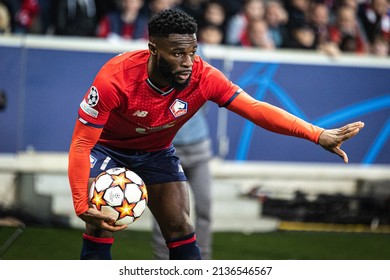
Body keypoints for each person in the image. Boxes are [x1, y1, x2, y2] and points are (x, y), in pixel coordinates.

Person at [68, 8, 365, 260]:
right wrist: (81, 204)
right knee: (100, 223)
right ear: (154, 49)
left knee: (181, 227)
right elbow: (82, 143)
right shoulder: (115, 78)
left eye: (192, 51)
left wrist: (317, 134)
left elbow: (255, 108)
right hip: (107, 149)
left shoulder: (204, 76)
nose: (188, 62)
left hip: (156, 152)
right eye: (177, 53)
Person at [151, 107, 213, 260]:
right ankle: (163, 261)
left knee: (205, 205)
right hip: (166, 152)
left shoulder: (202, 83)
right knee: (163, 210)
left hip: (199, 151)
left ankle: (203, 260)